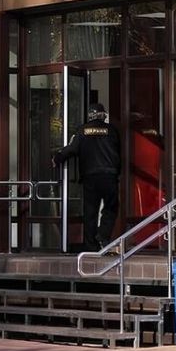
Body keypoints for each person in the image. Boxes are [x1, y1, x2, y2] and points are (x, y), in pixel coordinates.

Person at [53, 103, 121, 251]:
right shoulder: (112, 130)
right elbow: (119, 153)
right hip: (109, 175)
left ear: (90, 116)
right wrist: (117, 173)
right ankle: (103, 234)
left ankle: (91, 246)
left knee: (90, 212)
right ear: (103, 115)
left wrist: (57, 159)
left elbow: (71, 149)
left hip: (90, 177)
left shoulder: (82, 130)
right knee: (111, 207)